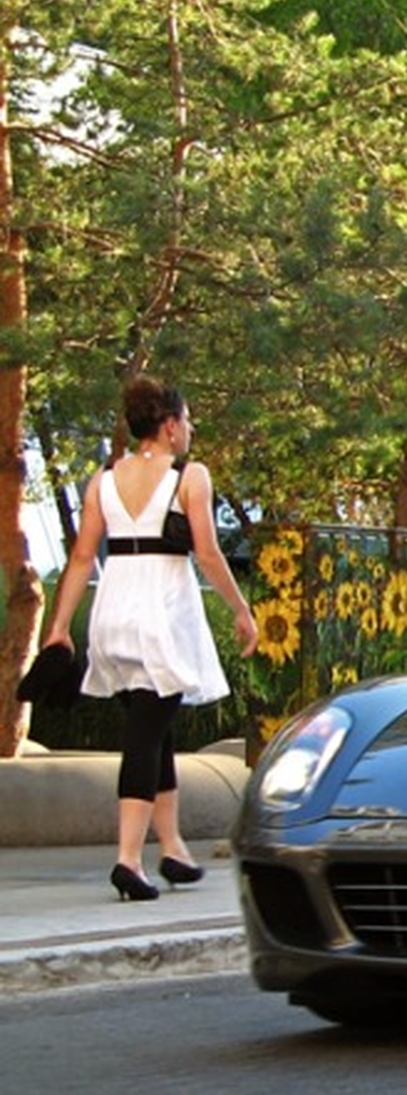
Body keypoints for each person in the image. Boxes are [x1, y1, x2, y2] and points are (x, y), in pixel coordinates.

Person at [39, 377, 258, 902]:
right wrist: (242, 610)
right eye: (187, 420)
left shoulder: (103, 479)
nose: (191, 429)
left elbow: (80, 558)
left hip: (113, 609)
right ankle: (129, 859)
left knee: (151, 727)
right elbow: (206, 553)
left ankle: (175, 847)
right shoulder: (190, 476)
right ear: (168, 425)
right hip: (162, 611)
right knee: (145, 734)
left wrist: (59, 625)